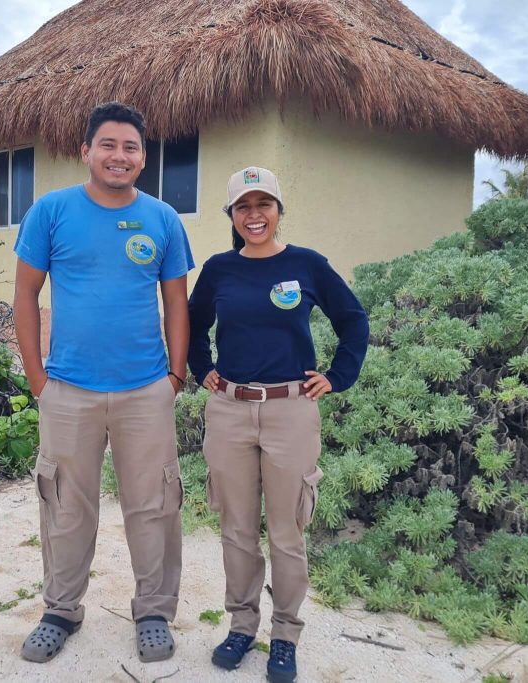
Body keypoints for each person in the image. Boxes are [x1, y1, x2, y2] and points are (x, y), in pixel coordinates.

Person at [13, 102, 194, 664]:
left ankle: (155, 612)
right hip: (68, 390)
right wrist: (38, 379)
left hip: (146, 390)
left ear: (143, 157)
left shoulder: (163, 219)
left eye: (131, 147)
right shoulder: (51, 212)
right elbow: (24, 296)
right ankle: (61, 609)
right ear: (85, 151)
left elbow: (176, 303)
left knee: (155, 505)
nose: (120, 156)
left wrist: (174, 376)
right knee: (66, 504)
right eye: (109, 145)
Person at [187, 167, 368, 683]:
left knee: (287, 532)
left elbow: (353, 319)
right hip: (230, 410)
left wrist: (337, 377)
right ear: (233, 216)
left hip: (291, 409)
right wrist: (204, 372)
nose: (255, 215)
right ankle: (242, 626)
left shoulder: (307, 265)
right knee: (237, 530)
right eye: (244, 206)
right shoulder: (220, 269)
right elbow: (193, 326)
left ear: (279, 211)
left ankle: (285, 635)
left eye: (264, 204)